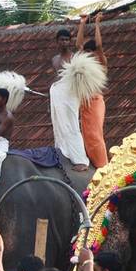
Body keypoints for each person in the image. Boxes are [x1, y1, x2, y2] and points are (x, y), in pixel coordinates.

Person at [49, 27, 89, 171]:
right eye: (62, 40)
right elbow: (58, 77)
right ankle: (63, 154)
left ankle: (81, 160)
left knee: (72, 124)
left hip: (71, 95)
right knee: (59, 125)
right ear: (57, 42)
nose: (64, 42)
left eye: (67, 40)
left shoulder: (74, 58)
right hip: (58, 94)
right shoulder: (54, 59)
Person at [77, 13, 108, 169]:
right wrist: (82, 23)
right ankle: (91, 162)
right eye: (86, 52)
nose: (89, 54)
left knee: (95, 135)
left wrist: (96, 23)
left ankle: (103, 165)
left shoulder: (101, 62)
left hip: (95, 101)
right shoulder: (84, 63)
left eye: (91, 51)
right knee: (86, 135)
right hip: (84, 101)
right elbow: (79, 44)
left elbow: (100, 46)